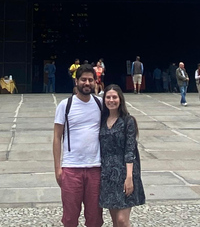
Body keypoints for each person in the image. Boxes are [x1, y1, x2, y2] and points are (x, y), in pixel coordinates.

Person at [54, 64, 104, 227]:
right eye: (83, 79)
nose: (87, 83)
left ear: (96, 82)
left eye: (90, 80)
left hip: (95, 167)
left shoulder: (100, 104)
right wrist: (57, 168)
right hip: (71, 167)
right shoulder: (65, 105)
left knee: (95, 217)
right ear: (76, 81)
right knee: (70, 217)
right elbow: (57, 137)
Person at [99, 85, 146, 226]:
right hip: (107, 174)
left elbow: (130, 149)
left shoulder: (128, 121)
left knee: (122, 220)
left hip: (125, 172)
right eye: (108, 97)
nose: (111, 100)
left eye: (114, 97)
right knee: (115, 221)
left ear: (120, 99)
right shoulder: (101, 121)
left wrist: (129, 177)